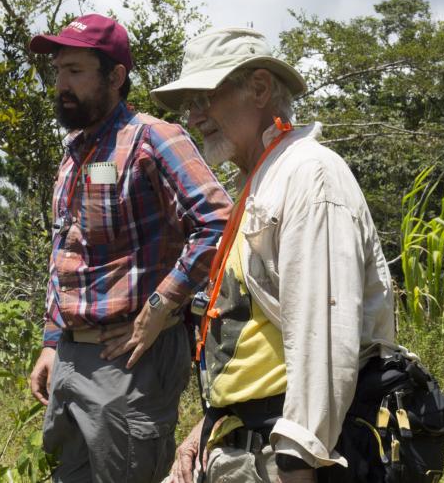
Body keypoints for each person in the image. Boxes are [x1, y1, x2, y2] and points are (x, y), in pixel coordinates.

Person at [150, 28, 395, 483]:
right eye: (190, 105)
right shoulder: (261, 182)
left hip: (286, 456)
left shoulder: (309, 175)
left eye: (205, 96)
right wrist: (207, 430)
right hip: (244, 444)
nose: (195, 115)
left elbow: (324, 335)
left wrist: (298, 460)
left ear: (260, 88)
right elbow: (257, 339)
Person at [27, 14, 233, 482]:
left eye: (76, 71)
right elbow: (68, 251)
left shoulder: (154, 138)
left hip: (130, 361)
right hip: (71, 359)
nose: (61, 84)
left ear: (115, 77)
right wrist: (52, 339)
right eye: (58, 71)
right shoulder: (74, 152)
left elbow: (218, 223)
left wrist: (162, 305)